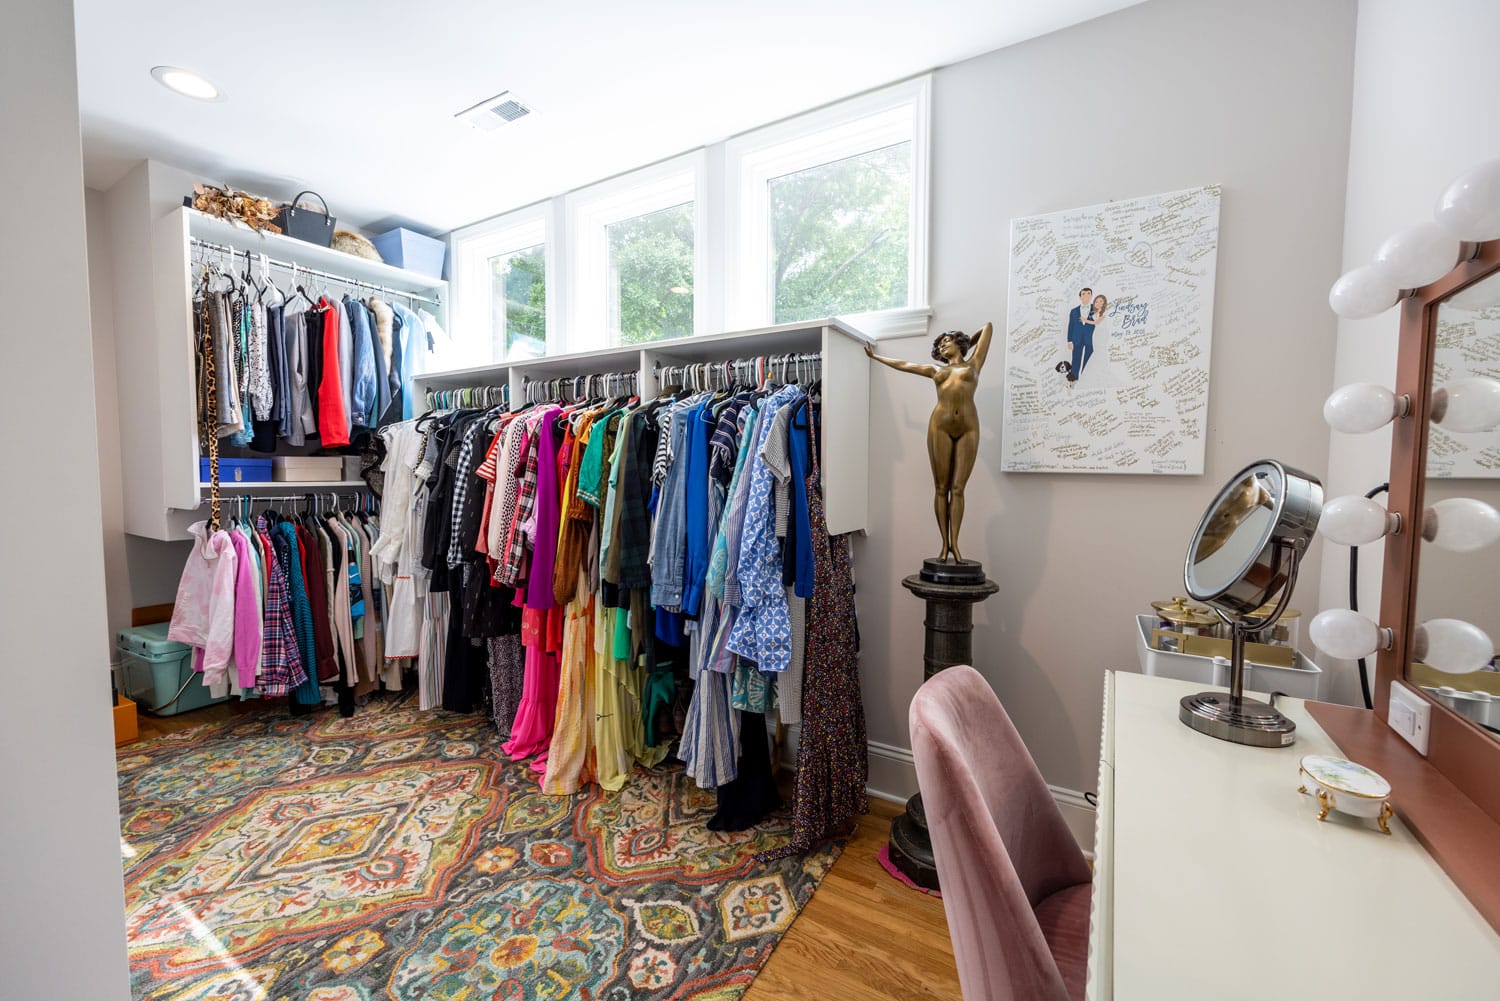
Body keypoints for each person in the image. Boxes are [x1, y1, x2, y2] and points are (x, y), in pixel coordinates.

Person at [864, 323, 994, 563]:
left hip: (969, 427)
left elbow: (988, 327)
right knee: (941, 488)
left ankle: (955, 543)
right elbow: (905, 365)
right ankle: (944, 545)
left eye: (947, 341)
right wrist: (876, 357)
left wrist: (967, 342)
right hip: (940, 426)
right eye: (940, 344)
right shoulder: (936, 371)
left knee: (958, 489)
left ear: (958, 343)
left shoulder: (975, 363)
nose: (942, 345)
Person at [1071, 293, 1108, 381]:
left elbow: (1097, 322)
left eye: (1101, 301)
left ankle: (1088, 377)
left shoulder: (1103, 313)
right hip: (1090, 336)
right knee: (1081, 357)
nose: (1098, 303)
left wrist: (1085, 320)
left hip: (1098, 335)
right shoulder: (1092, 311)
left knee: (1093, 356)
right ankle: (1077, 377)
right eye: (1096, 301)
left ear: (1104, 303)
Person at [1065, 287, 1092, 381]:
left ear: (1091, 296)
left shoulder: (1095, 309)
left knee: (1089, 357)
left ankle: (1086, 378)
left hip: (1090, 339)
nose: (1086, 296)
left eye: (1089, 293)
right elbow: (1071, 326)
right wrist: (1069, 341)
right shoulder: (1074, 311)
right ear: (1080, 297)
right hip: (1076, 339)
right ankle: (1074, 378)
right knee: (1076, 358)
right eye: (1084, 294)